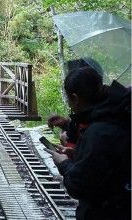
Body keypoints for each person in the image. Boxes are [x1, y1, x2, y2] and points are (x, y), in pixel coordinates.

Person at [45, 63, 131, 219]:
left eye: (68, 98)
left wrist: (63, 163)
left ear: (75, 98)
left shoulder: (99, 132)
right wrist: (78, 151)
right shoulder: (117, 113)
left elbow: (78, 185)